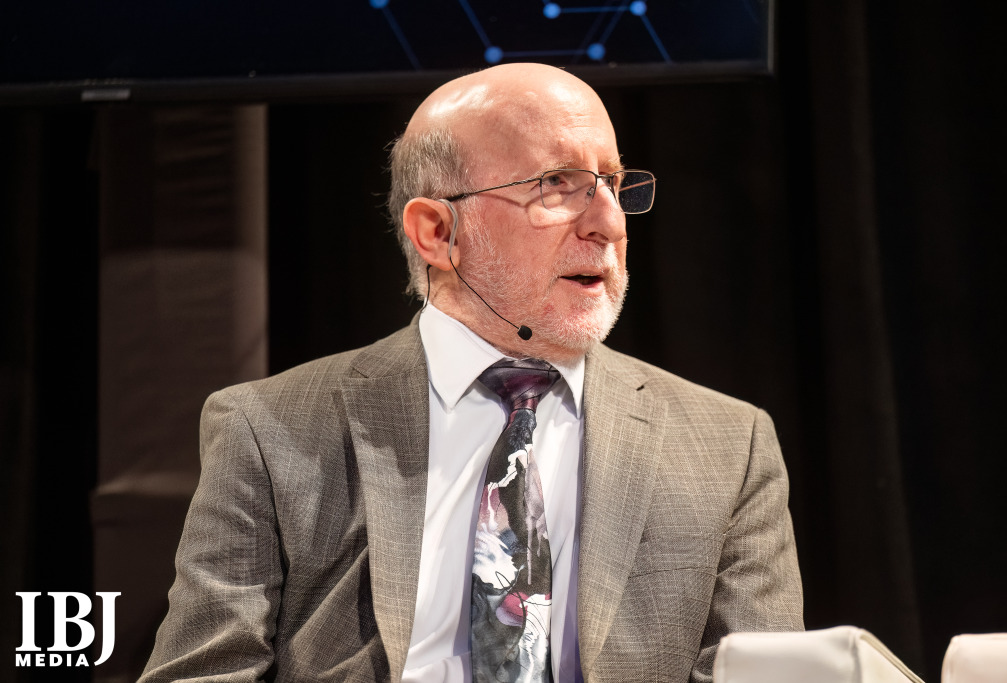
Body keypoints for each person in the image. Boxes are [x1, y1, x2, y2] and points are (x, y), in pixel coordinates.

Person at [142, 62, 802, 683]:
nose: (608, 222)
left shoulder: (728, 446)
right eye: (556, 184)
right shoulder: (271, 429)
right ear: (437, 231)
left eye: (612, 183)